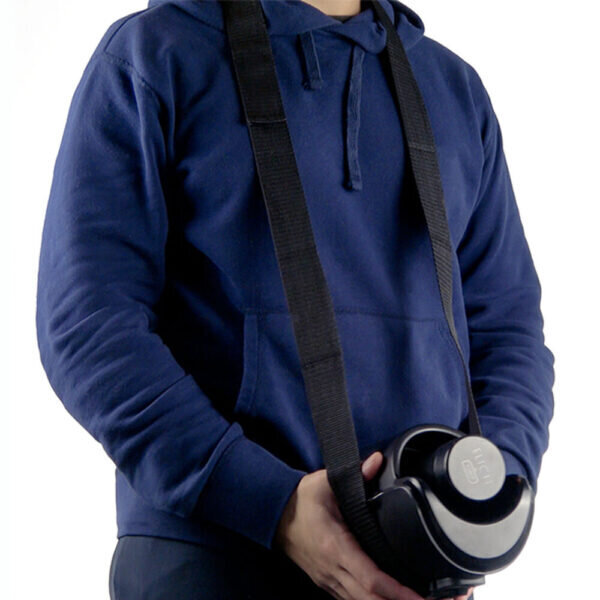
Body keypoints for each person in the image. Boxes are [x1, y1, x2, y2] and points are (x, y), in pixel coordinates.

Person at [35, 0, 555, 599]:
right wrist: (266, 500)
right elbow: (87, 324)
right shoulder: (156, 55)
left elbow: (509, 333)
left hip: (408, 564)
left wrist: (482, 505)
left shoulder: (454, 89)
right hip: (213, 552)